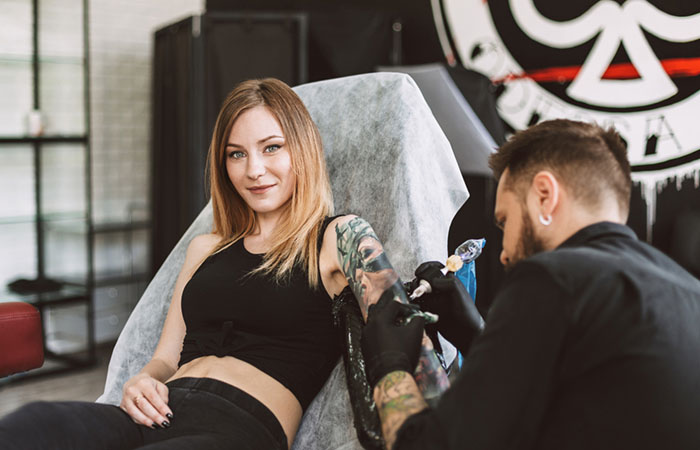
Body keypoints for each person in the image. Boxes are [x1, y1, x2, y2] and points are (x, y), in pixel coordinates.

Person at [0, 78, 448, 449]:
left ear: (302, 151)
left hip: (237, 429)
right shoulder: (206, 248)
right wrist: (141, 381)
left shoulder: (337, 237)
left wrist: (428, 427)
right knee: (31, 426)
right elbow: (164, 359)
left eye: (272, 148)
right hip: (154, 412)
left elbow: (397, 321)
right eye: (237, 154)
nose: (254, 169)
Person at [361, 119, 700, 450]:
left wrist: (388, 365)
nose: (504, 254)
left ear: (544, 196)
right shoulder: (688, 293)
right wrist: (476, 335)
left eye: (505, 221)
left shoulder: (554, 277)